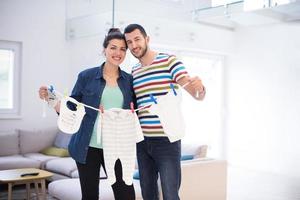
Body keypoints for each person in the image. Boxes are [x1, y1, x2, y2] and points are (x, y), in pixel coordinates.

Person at [39, 28, 136, 200]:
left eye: (122, 49)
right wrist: (51, 99)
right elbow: (71, 109)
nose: (118, 53)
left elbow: (135, 112)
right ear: (104, 49)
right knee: (90, 196)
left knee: (126, 194)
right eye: (113, 47)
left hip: (117, 147)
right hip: (87, 146)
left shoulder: (129, 81)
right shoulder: (86, 76)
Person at [124, 24, 206, 200]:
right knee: (148, 193)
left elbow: (195, 93)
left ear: (147, 39)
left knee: (170, 193)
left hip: (167, 141)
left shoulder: (170, 61)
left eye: (137, 39)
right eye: (129, 42)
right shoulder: (134, 71)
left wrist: (200, 88)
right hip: (142, 143)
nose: (134, 45)